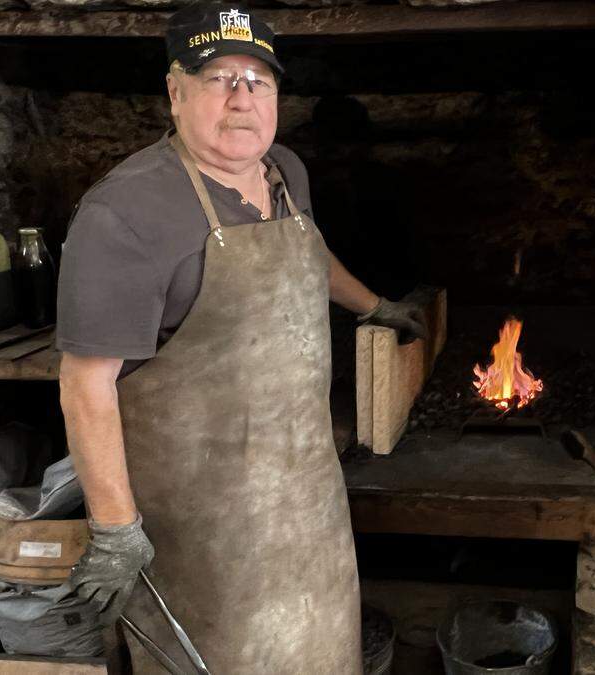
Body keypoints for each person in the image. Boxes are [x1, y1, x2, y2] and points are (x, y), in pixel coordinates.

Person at [56, 4, 424, 671]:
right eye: (219, 77)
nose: (241, 98)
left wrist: (378, 305)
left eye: (258, 81)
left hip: (311, 505)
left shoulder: (284, 170)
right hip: (205, 540)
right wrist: (114, 528)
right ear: (175, 91)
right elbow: (85, 381)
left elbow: (311, 254)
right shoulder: (123, 215)